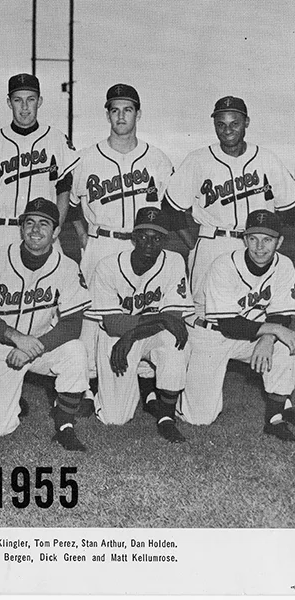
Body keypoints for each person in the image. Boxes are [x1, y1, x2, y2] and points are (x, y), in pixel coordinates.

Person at [68, 84, 175, 399]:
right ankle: (86, 384)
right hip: (102, 241)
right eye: (115, 110)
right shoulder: (88, 158)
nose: (121, 116)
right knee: (93, 314)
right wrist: (84, 238)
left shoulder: (156, 158)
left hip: (143, 245)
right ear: (108, 114)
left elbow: (171, 207)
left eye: (127, 109)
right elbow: (73, 204)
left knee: (142, 305)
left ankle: (145, 380)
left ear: (138, 113)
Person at [0, 198, 90, 451]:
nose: (36, 229)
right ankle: (0, 395)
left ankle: (65, 425)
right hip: (0, 346)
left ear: (56, 231)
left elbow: (72, 324)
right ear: (21, 228)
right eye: (30, 223)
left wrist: (31, 347)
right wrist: (16, 338)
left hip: (39, 344)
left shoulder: (67, 266)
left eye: (44, 224)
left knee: (76, 352)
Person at [165, 96, 295, 322]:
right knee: (204, 314)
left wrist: (272, 240)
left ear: (246, 123)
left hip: (257, 245)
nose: (227, 130)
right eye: (220, 124)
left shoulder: (267, 159)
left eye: (234, 123)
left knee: (257, 310)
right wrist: (193, 244)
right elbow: (170, 208)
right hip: (213, 243)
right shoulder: (198, 160)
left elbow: (289, 209)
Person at [179, 210, 295, 441]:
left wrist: (268, 338)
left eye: (267, 240)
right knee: (198, 418)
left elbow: (281, 313)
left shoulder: (285, 265)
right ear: (244, 239)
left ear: (279, 242)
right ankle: (182, 389)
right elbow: (229, 325)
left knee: (286, 344)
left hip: (252, 334)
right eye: (253, 238)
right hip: (210, 334)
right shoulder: (224, 265)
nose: (259, 247)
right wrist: (273, 330)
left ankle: (275, 417)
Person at [88, 207, 192, 443]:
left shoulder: (174, 261)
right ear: (133, 238)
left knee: (176, 337)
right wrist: (159, 318)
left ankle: (166, 417)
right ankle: (101, 389)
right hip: (115, 337)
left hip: (142, 335)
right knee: (115, 418)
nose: (149, 243)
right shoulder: (107, 265)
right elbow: (113, 323)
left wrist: (133, 334)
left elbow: (173, 318)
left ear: (165, 240)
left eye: (157, 238)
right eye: (143, 236)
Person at [0, 73, 77, 260]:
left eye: (30, 100)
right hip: (2, 231)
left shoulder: (56, 139)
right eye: (17, 100)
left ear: (39, 101)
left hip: (44, 231)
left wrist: (55, 227)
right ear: (9, 102)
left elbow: (64, 189)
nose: (24, 107)